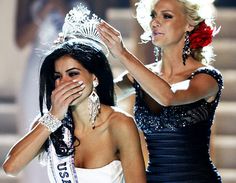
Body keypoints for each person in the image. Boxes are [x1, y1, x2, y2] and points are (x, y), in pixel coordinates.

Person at [4, 5, 146, 183]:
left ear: (94, 77)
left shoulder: (119, 124)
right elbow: (10, 168)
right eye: (58, 76)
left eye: (73, 74)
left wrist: (123, 54)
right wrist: (53, 116)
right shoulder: (50, 124)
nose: (64, 82)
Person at [97, 0, 223, 182]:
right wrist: (74, 54)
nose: (155, 22)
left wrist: (123, 54)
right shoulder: (138, 77)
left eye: (167, 16)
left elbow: (168, 96)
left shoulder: (207, 78)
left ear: (189, 24)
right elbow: (97, 98)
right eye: (153, 15)